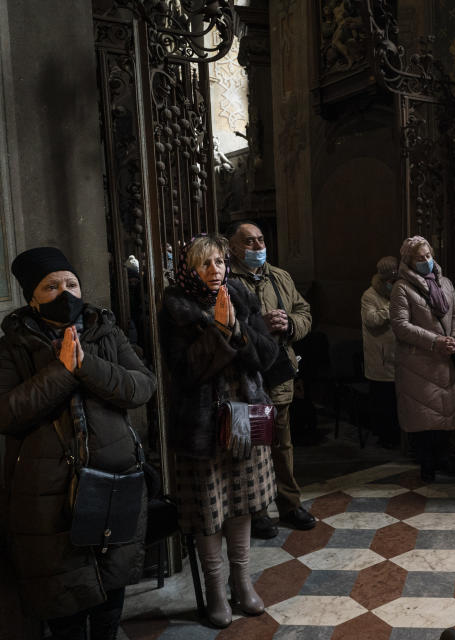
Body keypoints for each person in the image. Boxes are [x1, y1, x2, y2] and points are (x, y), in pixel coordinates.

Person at [0, 247, 155, 639]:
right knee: (66, 614)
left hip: (112, 482)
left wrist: (86, 366)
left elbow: (141, 385)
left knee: (110, 604)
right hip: (48, 499)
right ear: (31, 297)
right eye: (51, 287)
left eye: (71, 284)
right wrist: (60, 372)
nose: (66, 294)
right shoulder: (15, 345)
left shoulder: (104, 330)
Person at [160, 234, 279, 628]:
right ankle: (215, 590)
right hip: (202, 424)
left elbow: (266, 355)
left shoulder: (241, 296)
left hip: (243, 416)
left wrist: (240, 333)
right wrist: (218, 331)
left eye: (220, 262)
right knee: (211, 508)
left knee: (242, 503)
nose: (216, 271)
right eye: (205, 264)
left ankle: (242, 582)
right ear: (189, 270)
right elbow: (187, 371)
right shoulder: (177, 309)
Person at [226, 221, 316, 538]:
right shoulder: (225, 280)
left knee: (281, 443)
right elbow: (223, 327)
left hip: (278, 374)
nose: (257, 246)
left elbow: (305, 311)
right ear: (233, 246)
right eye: (249, 242)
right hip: (247, 378)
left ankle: (290, 505)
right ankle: (259, 510)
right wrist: (260, 325)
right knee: (254, 443)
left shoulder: (280, 277)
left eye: (261, 240)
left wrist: (290, 323)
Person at [390, 236, 455, 482]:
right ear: (409, 261)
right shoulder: (401, 288)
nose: (426, 261)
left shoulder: (445, 283)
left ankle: (445, 458)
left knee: (445, 415)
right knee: (423, 417)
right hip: (418, 363)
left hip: (446, 359)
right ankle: (426, 463)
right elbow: (401, 326)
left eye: (428, 256)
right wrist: (434, 341)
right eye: (420, 258)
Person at [361, 255, 401, 449]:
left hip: (398, 356)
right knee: (383, 401)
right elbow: (372, 320)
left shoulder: (398, 292)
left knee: (395, 400)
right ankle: (386, 437)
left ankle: (396, 435)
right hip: (380, 358)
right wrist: (390, 308)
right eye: (389, 281)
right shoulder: (370, 295)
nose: (392, 284)